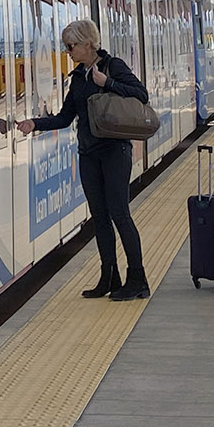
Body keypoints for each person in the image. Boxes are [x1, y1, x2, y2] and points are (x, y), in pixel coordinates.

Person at [16, 19, 153, 300]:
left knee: (120, 213)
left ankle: (137, 278)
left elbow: (141, 95)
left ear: (88, 44)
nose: (68, 51)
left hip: (115, 151)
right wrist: (35, 123)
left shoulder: (112, 66)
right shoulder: (78, 77)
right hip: (89, 153)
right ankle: (109, 276)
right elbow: (66, 117)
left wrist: (109, 83)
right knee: (100, 217)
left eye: (71, 46)